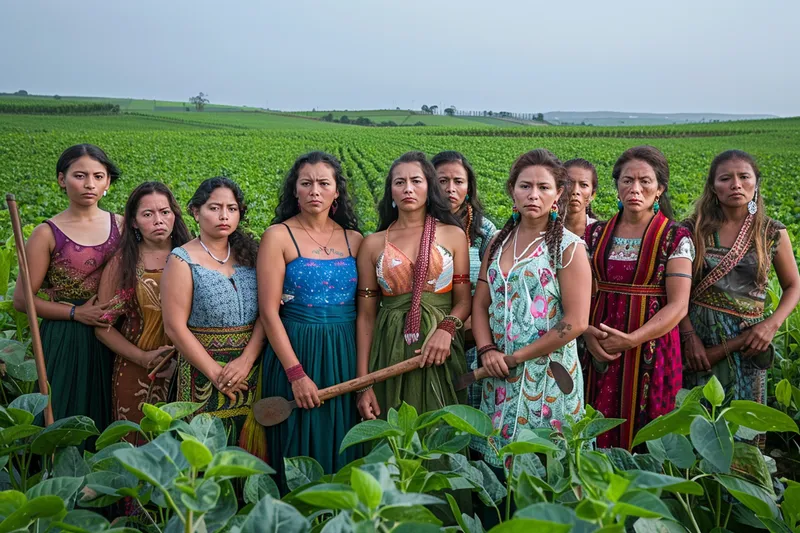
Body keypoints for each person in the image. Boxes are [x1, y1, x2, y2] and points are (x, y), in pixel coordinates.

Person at [468, 149, 591, 468]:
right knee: (498, 466)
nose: (533, 195)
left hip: (549, 377)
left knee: (545, 467)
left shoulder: (568, 247)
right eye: (525, 186)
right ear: (512, 190)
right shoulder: (496, 242)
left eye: (544, 187)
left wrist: (516, 357)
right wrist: (487, 350)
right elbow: (480, 303)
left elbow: (576, 322)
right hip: (498, 375)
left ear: (558, 194)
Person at [258, 152, 363, 490]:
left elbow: (366, 312)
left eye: (323, 183)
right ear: (295, 192)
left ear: (336, 192)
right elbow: (269, 311)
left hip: (345, 351)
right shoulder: (277, 236)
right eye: (306, 183)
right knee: (296, 442)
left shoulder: (355, 239)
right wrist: (296, 373)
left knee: (343, 440)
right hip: (296, 349)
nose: (314, 190)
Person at [583, 146, 694, 450]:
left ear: (660, 189)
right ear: (616, 186)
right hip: (599, 345)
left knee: (648, 431)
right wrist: (587, 332)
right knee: (595, 422)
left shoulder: (675, 237)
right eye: (627, 180)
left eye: (645, 181)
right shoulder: (594, 235)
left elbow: (678, 304)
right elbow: (581, 291)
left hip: (652, 347)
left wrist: (633, 339)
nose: (635, 189)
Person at [681, 151, 800, 424]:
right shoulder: (693, 229)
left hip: (750, 339)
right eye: (726, 178)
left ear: (755, 183)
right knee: (697, 418)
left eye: (744, 177)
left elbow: (793, 285)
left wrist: (770, 325)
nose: (736, 184)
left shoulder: (771, 232)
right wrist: (689, 337)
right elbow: (674, 290)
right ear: (713, 186)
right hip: (697, 336)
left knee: (744, 422)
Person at [13, 144, 122, 435]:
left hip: (115, 334)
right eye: (80, 175)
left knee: (109, 418)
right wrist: (76, 312)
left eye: (99, 176)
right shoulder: (47, 232)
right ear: (62, 179)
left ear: (108, 182)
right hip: (66, 336)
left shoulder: (122, 226)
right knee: (63, 413)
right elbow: (23, 300)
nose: (90, 184)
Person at [356, 151, 471, 420]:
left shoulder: (453, 235)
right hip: (388, 348)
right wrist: (364, 382)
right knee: (391, 428)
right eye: (399, 182)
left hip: (439, 348)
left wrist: (446, 329)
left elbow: (464, 300)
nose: (408, 188)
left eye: (416, 181)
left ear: (429, 187)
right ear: (390, 192)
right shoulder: (372, 243)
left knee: (439, 428)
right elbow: (366, 316)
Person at [162, 177, 266, 458]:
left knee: (248, 453)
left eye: (232, 209)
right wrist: (216, 374)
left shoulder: (252, 255)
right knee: (202, 455)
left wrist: (246, 361)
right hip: (201, 376)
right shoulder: (182, 259)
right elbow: (174, 327)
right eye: (214, 208)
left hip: (251, 372)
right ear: (196, 212)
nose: (224, 216)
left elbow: (267, 314)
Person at [95, 182, 192, 436]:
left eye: (165, 212)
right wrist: (142, 358)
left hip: (188, 367)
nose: (158, 220)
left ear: (174, 215)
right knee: (138, 444)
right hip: (136, 369)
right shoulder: (122, 263)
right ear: (134, 222)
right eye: (148, 214)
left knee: (183, 449)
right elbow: (102, 327)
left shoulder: (193, 256)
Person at [432, 150, 497, 409]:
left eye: (458, 181)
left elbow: (492, 288)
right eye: (442, 181)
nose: (450, 189)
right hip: (424, 333)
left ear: (469, 187)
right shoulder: (415, 226)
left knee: (467, 409)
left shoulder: (483, 231)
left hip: (470, 335)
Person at [563, 158, 599, 237]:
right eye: (569, 183)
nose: (575, 191)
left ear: (592, 195)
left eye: (584, 185)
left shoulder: (601, 234)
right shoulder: (544, 230)